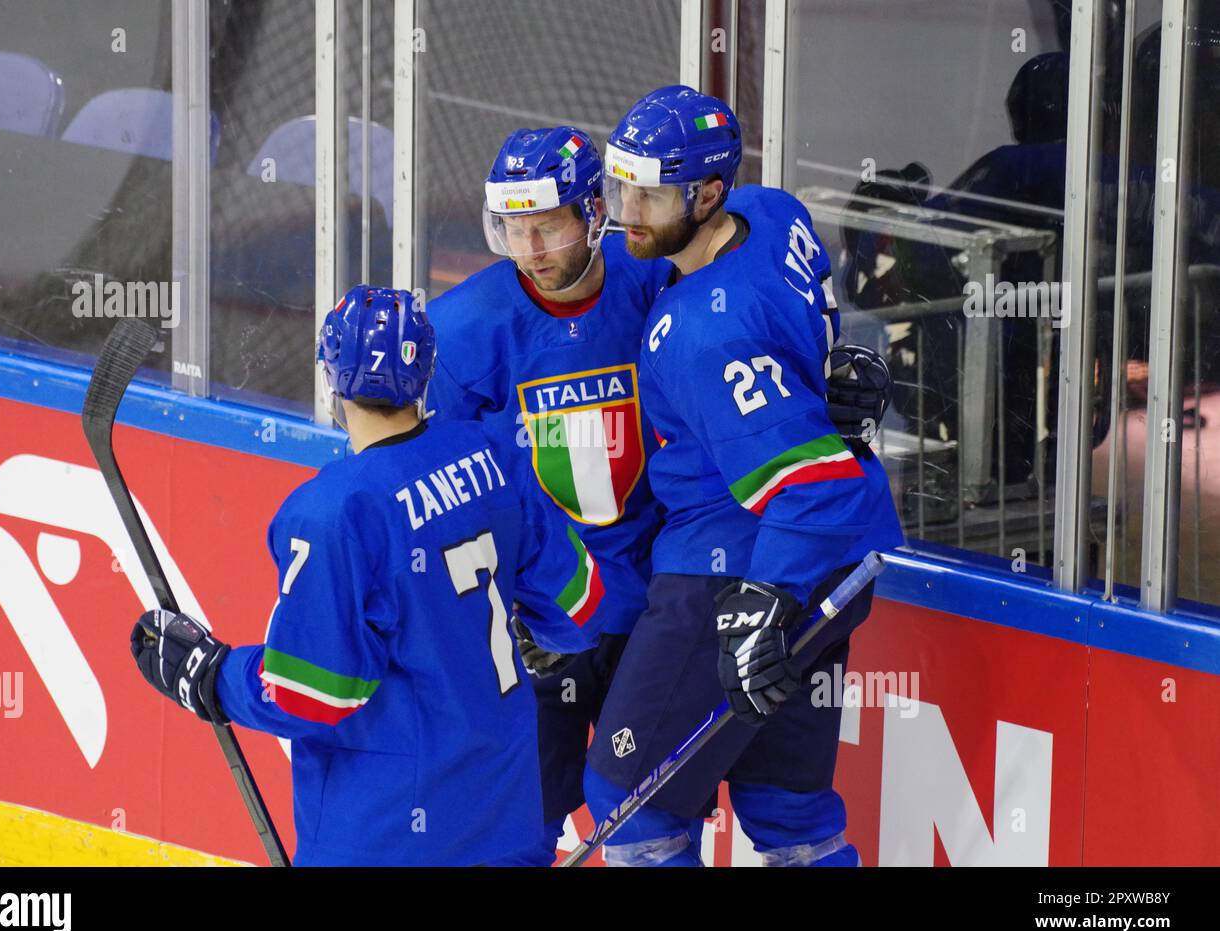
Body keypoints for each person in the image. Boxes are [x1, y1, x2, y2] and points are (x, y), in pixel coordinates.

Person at [128, 285, 608, 866]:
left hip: (385, 839)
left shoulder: (335, 512)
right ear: (426, 370)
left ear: (331, 377)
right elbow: (579, 608)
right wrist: (534, 638)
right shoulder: (494, 454)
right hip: (508, 817)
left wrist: (213, 677)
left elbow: (313, 690)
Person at [581, 86, 905, 866]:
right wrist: (851, 370)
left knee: (632, 813)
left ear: (709, 193)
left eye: (650, 195)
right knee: (788, 809)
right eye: (621, 187)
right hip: (832, 564)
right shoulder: (775, 211)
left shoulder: (701, 332)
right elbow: (817, 350)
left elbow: (810, 482)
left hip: (731, 577)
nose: (628, 211)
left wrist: (759, 608)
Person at [425, 125, 670, 864]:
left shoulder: (654, 277)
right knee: (520, 821)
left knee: (650, 824)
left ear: (595, 213)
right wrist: (490, 605)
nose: (530, 251)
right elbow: (438, 489)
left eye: (548, 227)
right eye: (513, 229)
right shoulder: (465, 329)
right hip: (542, 617)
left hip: (657, 604)